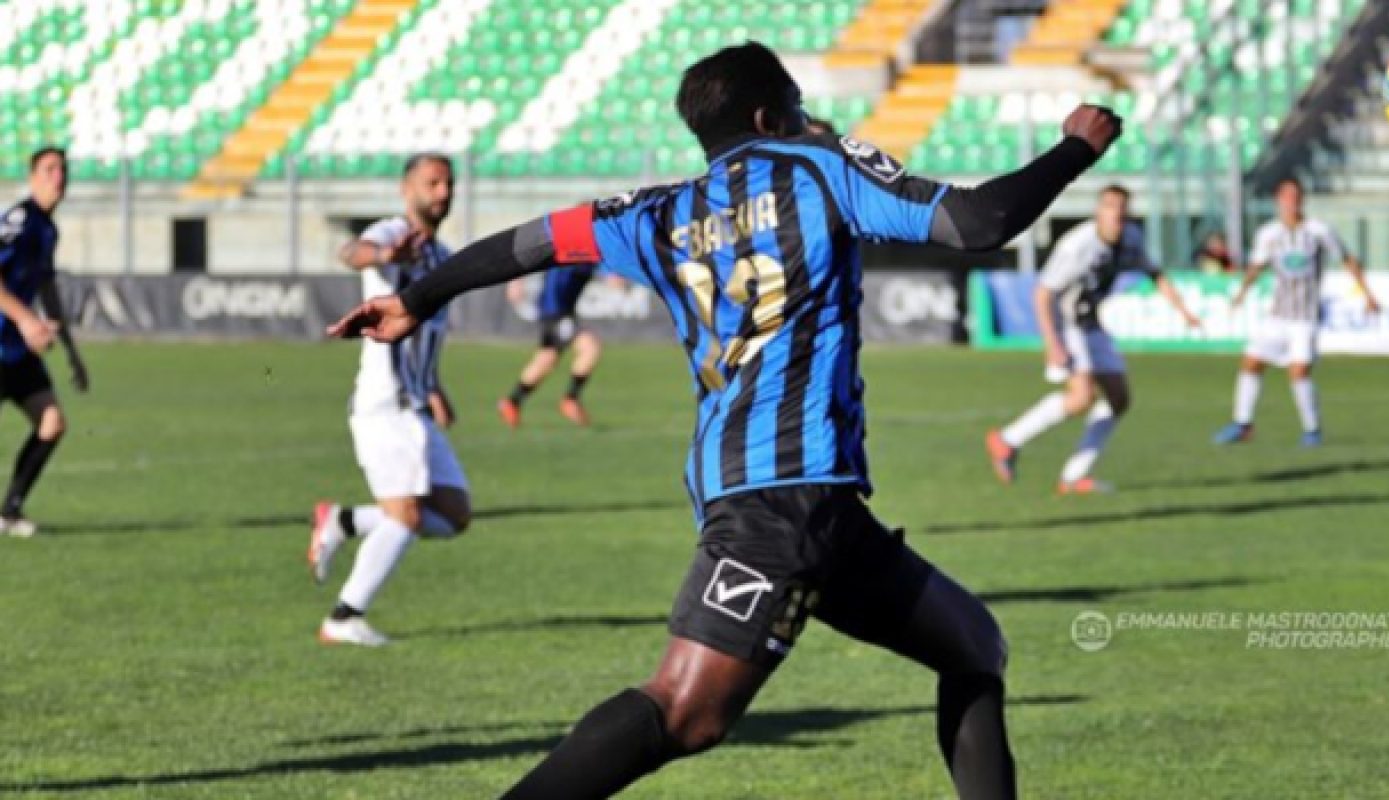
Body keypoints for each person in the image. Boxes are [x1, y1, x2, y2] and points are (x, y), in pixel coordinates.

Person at [328, 41, 1121, 800]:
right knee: (683, 709)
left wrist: (419, 297)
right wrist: (1076, 147)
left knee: (974, 645)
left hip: (800, 498)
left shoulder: (661, 211)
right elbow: (979, 223)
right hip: (782, 499)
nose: (813, 119)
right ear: (775, 117)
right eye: (801, 106)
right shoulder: (820, 170)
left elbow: (532, 241)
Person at [306, 153, 472, 646]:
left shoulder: (442, 257)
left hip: (417, 403)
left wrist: (436, 387)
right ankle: (343, 617)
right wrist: (383, 257)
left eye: (447, 183)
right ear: (407, 189)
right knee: (407, 515)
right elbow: (351, 252)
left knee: (454, 513)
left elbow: (428, 335)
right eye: (431, 183)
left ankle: (344, 521)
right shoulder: (390, 232)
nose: (442, 192)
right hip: (385, 404)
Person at [985, 185, 1201, 494]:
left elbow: (1155, 274)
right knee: (1081, 397)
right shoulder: (1077, 246)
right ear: (1098, 211)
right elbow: (1044, 293)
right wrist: (1053, 344)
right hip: (1067, 325)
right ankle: (1006, 441)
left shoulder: (1131, 238)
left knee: (1119, 400)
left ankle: (1073, 477)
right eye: (1110, 206)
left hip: (1092, 324)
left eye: (1122, 207)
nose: (1117, 213)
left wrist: (1184, 311)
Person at [1213, 177, 1380, 447]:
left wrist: (1368, 295)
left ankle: (1312, 430)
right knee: (1251, 363)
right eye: (1286, 196)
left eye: (1296, 196)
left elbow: (1347, 259)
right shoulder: (1268, 234)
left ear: (1302, 200)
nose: (1291, 202)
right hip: (1277, 315)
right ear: (1278, 200)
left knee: (1299, 371)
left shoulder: (1318, 231)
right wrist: (1242, 294)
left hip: (1305, 317)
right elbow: (1257, 266)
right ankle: (1242, 424)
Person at [0, 146, 88, 537]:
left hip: (17, 351)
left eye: (63, 169)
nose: (59, 176)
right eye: (50, 169)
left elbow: (47, 288)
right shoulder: (19, 220)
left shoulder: (49, 229)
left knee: (51, 422)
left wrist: (72, 352)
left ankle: (10, 512)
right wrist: (25, 320)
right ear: (33, 176)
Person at [498, 263, 602, 427]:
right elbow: (532, 247)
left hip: (560, 311)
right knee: (589, 347)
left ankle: (512, 402)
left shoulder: (596, 251)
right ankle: (571, 399)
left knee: (546, 359)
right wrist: (516, 279)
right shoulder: (572, 242)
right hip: (554, 310)